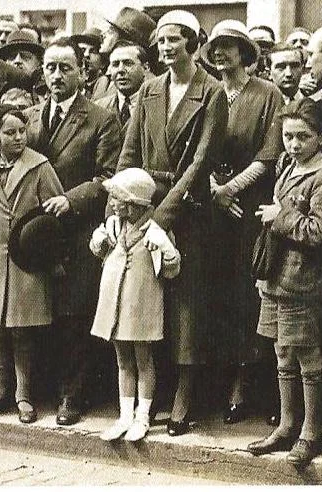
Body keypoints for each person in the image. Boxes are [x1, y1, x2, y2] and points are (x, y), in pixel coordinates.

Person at [109, 10, 227, 436]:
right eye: (160, 41)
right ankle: (146, 399)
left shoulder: (211, 91)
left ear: (193, 43)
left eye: (173, 40)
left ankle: (184, 394)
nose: (165, 47)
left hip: (188, 211)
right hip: (142, 208)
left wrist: (162, 216)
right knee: (144, 303)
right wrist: (119, 206)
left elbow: (201, 161)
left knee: (186, 306)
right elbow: (129, 154)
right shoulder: (149, 90)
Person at [23, 36, 122, 426]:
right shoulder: (30, 118)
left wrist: (72, 199)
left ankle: (72, 394)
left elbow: (109, 175)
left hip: (79, 228)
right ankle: (40, 389)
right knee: (36, 308)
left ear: (81, 72)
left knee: (75, 312)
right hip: (34, 229)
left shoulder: (100, 117)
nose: (57, 75)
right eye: (50, 67)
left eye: (66, 67)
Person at [199, 19, 285, 424]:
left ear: (245, 52)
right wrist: (215, 190)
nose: (221, 53)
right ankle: (220, 384)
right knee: (218, 295)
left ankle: (252, 388)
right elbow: (200, 151)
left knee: (250, 297)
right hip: (215, 205)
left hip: (251, 205)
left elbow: (269, 155)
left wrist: (230, 189)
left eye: (230, 46)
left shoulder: (268, 94)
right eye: (215, 46)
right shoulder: (210, 92)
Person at [246, 98, 322, 470]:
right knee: (282, 353)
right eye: (288, 136)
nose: (294, 144)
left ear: (321, 138)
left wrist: (279, 216)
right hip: (275, 277)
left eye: (303, 136)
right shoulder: (287, 165)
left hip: (301, 280)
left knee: (306, 354)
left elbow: (318, 231)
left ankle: (310, 432)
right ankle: (286, 424)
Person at [0, 106, 64, 424]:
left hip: (26, 258)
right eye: (10, 132)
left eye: (22, 131)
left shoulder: (39, 166)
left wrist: (48, 251)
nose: (18, 137)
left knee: (22, 330)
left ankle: (23, 396)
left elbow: (55, 214)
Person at [90, 168, 181, 442]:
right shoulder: (114, 225)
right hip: (115, 302)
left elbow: (172, 269)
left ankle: (143, 416)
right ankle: (125, 415)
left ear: (133, 203)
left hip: (140, 303)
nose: (113, 204)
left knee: (143, 359)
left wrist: (166, 251)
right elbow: (100, 251)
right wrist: (97, 243)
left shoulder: (155, 231)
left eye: (117, 199)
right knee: (122, 360)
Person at [94, 40, 151, 134]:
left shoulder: (154, 106)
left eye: (128, 63)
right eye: (115, 64)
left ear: (145, 68)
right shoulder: (98, 108)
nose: (120, 70)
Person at [0, 29, 47, 103]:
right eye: (12, 57)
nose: (17, 61)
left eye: (25, 56)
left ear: (39, 62)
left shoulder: (46, 93)